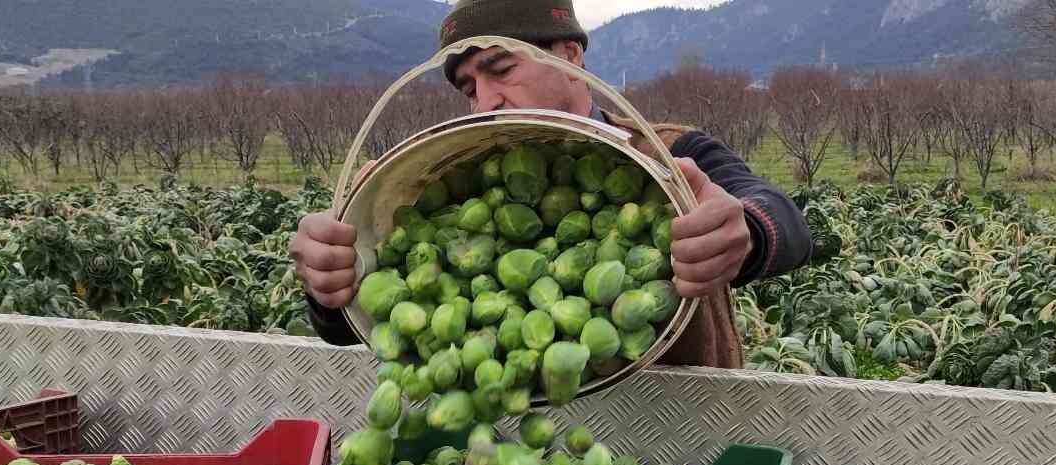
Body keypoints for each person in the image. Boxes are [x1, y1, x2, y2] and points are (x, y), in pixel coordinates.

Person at [290, 0, 813, 369]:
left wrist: (743, 230)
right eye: (469, 88)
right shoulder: (452, 184)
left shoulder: (673, 153)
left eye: (501, 70)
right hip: (540, 455)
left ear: (569, 57)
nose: (485, 102)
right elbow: (358, 320)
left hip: (682, 435)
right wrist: (332, 278)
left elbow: (785, 222)